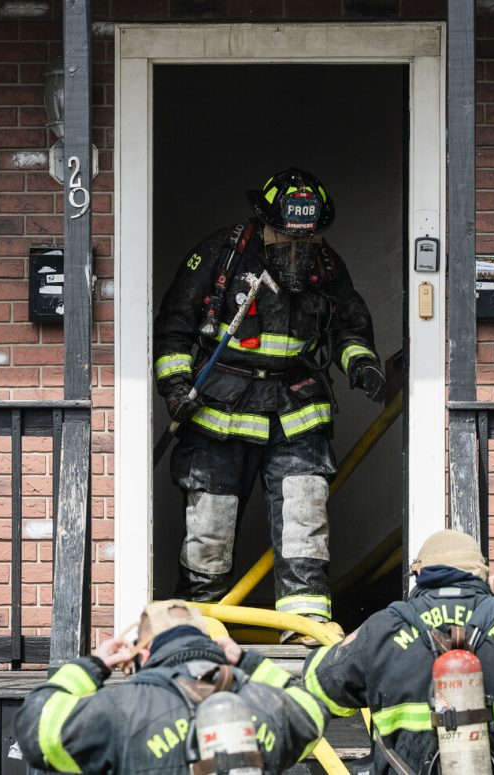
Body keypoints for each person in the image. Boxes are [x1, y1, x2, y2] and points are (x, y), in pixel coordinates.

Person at [154, 167, 385, 643]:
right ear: (266, 221)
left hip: (295, 409)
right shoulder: (222, 254)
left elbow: (349, 327)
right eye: (285, 236)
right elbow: (175, 322)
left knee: (305, 519)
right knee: (209, 531)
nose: (297, 248)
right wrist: (175, 384)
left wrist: (361, 364)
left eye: (308, 236)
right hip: (220, 410)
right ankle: (194, 632)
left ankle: (304, 628)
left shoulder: (325, 264)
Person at [301, 529, 494, 774]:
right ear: (482, 576)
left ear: (419, 573)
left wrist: (359, 642)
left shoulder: (384, 627)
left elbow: (318, 684)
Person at [14, 599, 329, 773]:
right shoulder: (265, 703)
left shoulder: (121, 710)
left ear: (146, 652)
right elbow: (311, 713)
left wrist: (92, 665)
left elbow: (39, 729)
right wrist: (249, 662)